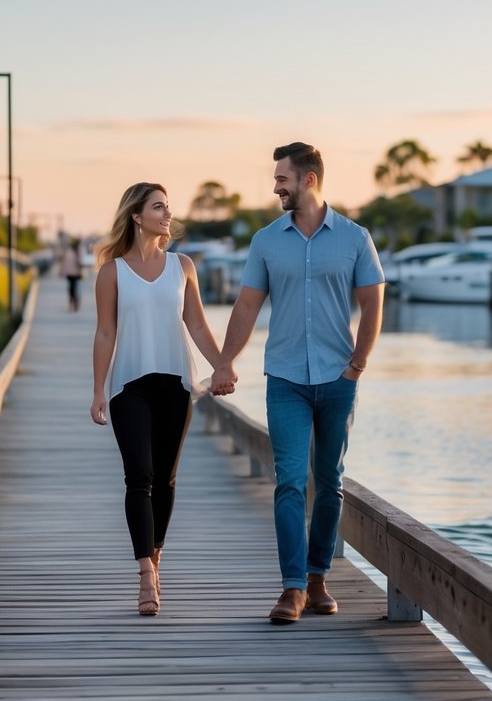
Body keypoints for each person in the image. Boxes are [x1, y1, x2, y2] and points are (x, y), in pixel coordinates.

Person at [211, 142, 384, 624]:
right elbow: (246, 307)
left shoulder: (354, 238)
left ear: (308, 179)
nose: (275, 187)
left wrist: (358, 365)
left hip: (337, 378)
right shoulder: (266, 241)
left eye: (281, 179)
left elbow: (373, 304)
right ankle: (290, 588)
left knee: (329, 482)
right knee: (289, 481)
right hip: (285, 377)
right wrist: (226, 362)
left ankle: (316, 578)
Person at [90, 182, 223, 616]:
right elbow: (105, 331)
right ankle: (147, 573)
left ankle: (156, 553)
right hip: (128, 386)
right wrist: (98, 391)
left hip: (175, 384)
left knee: (165, 480)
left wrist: (222, 365)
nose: (168, 214)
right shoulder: (111, 272)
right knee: (139, 476)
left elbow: (199, 326)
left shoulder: (182, 266)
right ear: (136, 215)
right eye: (158, 206)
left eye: (167, 206)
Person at [61, 237, 83, 311]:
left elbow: (64, 262)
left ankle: (71, 302)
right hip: (76, 273)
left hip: (69, 273)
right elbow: (80, 262)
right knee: (76, 288)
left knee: (71, 288)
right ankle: (75, 303)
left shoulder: (68, 251)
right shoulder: (78, 251)